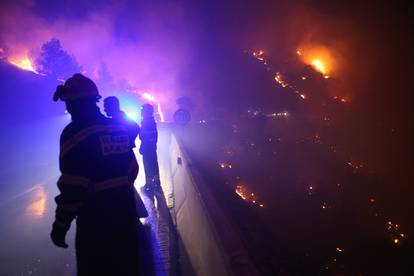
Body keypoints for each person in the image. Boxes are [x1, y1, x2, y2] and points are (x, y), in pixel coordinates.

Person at [50, 73, 148, 275]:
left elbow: (72, 186)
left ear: (75, 103)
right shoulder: (117, 128)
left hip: (96, 222)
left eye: (67, 102)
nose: (66, 108)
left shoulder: (74, 133)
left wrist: (60, 225)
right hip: (125, 214)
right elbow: (132, 168)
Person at [139, 104, 161, 199]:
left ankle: (149, 185)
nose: (142, 112)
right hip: (151, 148)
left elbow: (144, 137)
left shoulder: (146, 122)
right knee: (153, 164)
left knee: (147, 165)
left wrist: (143, 147)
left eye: (143, 110)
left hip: (147, 148)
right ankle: (156, 183)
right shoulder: (151, 121)